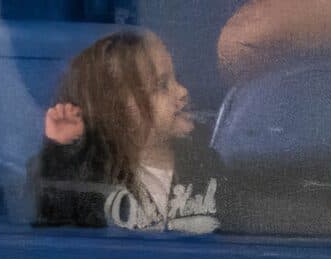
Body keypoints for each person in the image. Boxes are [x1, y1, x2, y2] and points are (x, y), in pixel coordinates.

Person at [32, 29, 229, 232]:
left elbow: (231, 227)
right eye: (162, 85)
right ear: (117, 112)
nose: (182, 91)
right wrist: (60, 150)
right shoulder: (94, 174)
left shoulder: (205, 163)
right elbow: (55, 218)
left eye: (176, 78)